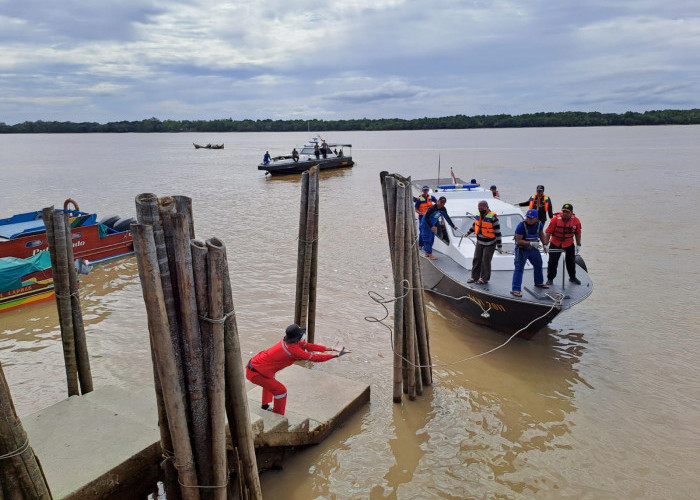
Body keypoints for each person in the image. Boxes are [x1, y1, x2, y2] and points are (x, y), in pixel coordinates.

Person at [246, 324, 349, 415]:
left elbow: (308, 345)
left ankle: (265, 406)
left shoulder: (289, 341)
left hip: (257, 366)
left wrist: (331, 348)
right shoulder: (294, 351)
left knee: (270, 380)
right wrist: (335, 356)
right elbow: (315, 358)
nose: (303, 335)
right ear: (297, 337)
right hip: (256, 373)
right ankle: (277, 415)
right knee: (281, 391)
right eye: (301, 334)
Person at [510, 209, 549, 297]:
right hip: (522, 250)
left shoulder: (539, 224)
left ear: (536, 218)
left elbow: (541, 234)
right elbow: (519, 240)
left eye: (531, 218)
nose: (529, 219)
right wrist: (530, 243)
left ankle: (539, 282)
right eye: (528, 217)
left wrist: (545, 244)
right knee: (519, 268)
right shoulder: (521, 226)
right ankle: (516, 289)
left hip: (533, 249)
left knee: (538, 264)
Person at [465, 200, 502, 284]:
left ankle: (484, 278)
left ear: (486, 207)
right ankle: (474, 277)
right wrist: (468, 233)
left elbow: (498, 233)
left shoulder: (493, 218)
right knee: (476, 259)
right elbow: (475, 226)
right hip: (480, 241)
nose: (480, 209)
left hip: (490, 243)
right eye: (479, 207)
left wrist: (499, 246)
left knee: (486, 260)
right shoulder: (478, 215)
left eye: (482, 207)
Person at [544, 203, 582, 285]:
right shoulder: (555, 220)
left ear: (571, 212)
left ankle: (572, 277)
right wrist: (545, 244)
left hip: (568, 243)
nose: (565, 213)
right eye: (564, 211)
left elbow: (578, 233)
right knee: (552, 262)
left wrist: (579, 245)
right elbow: (548, 232)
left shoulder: (576, 221)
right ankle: (550, 278)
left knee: (571, 262)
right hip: (555, 242)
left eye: (567, 212)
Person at [420, 196, 458, 261]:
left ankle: (427, 252)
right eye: (441, 202)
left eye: (443, 203)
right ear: (438, 201)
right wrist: (431, 226)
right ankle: (430, 253)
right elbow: (426, 218)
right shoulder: (432, 208)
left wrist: (453, 226)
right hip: (426, 224)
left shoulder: (443, 209)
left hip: (433, 224)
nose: (442, 204)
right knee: (426, 239)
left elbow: (447, 217)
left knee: (431, 239)